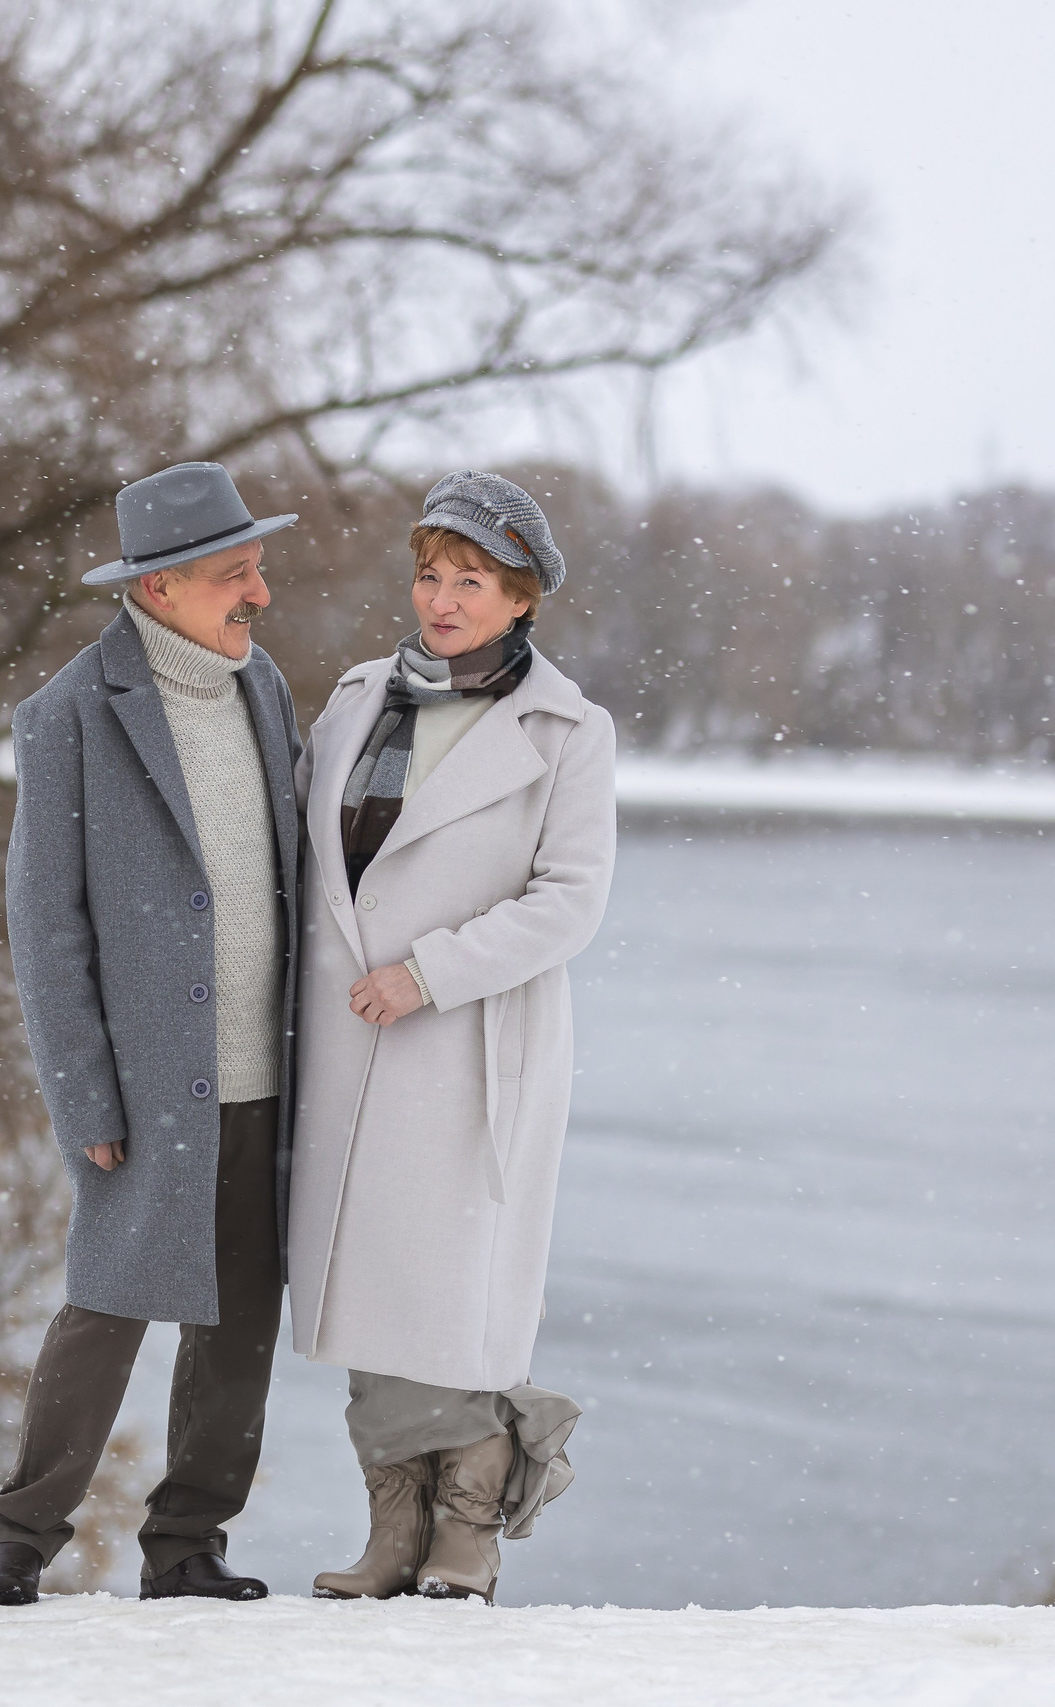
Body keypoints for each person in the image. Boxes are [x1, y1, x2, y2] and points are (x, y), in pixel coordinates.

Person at [0, 462, 304, 1607]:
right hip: (148, 1085)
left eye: (256, 567)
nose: (259, 593)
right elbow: (43, 924)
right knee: (106, 1306)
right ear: (158, 590)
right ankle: (17, 1538)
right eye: (233, 575)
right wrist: (84, 1098)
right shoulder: (67, 715)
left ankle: (188, 1547)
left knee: (241, 1323)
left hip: (272, 1073)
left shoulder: (264, 691)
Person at [286, 471, 615, 1603]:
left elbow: (571, 901)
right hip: (343, 1043)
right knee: (365, 1284)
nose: (441, 600)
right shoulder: (355, 698)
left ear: (520, 598)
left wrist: (429, 974)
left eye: (470, 581)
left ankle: (466, 1529)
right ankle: (392, 1531)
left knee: (456, 1290)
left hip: (469, 1043)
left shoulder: (568, 730)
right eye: (430, 575)